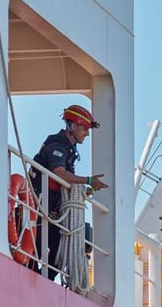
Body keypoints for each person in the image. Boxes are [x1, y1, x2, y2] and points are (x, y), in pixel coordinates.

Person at [30, 104, 108, 279]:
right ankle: (35, 277)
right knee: (41, 244)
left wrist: (86, 190)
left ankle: (45, 281)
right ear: (73, 127)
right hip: (41, 205)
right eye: (84, 129)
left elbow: (65, 182)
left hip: (53, 207)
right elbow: (60, 173)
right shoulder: (57, 145)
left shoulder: (69, 149)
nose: (87, 134)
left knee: (59, 250)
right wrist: (88, 180)